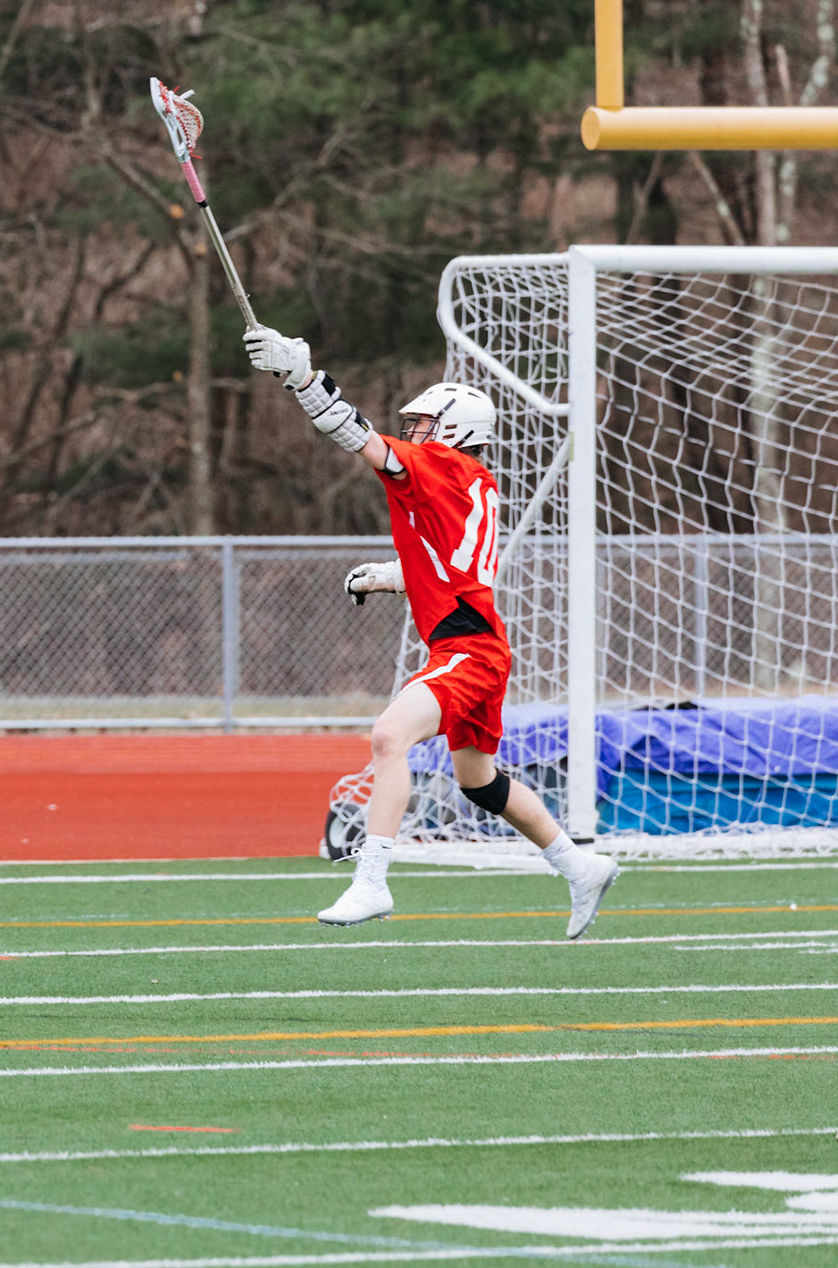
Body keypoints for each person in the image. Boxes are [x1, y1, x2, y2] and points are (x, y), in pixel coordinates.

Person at [243, 327, 620, 936]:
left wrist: (303, 380)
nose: (413, 432)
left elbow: (359, 437)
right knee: (478, 781)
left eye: (422, 423)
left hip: (467, 649)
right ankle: (580, 866)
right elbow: (450, 567)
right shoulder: (470, 481)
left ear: (453, 429)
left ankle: (372, 880)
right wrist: (390, 577)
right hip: (477, 645)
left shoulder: (443, 465)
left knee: (389, 736)